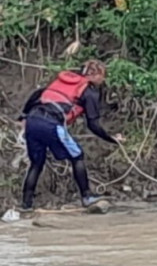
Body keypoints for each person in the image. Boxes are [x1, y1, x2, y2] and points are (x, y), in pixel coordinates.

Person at [17, 60, 125, 210]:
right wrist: (111, 139)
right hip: (51, 124)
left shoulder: (63, 81)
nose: (103, 80)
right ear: (95, 75)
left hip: (32, 121)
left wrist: (23, 117)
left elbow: (38, 94)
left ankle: (26, 204)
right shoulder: (88, 91)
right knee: (77, 155)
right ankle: (87, 197)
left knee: (36, 164)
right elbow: (93, 124)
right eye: (103, 76)